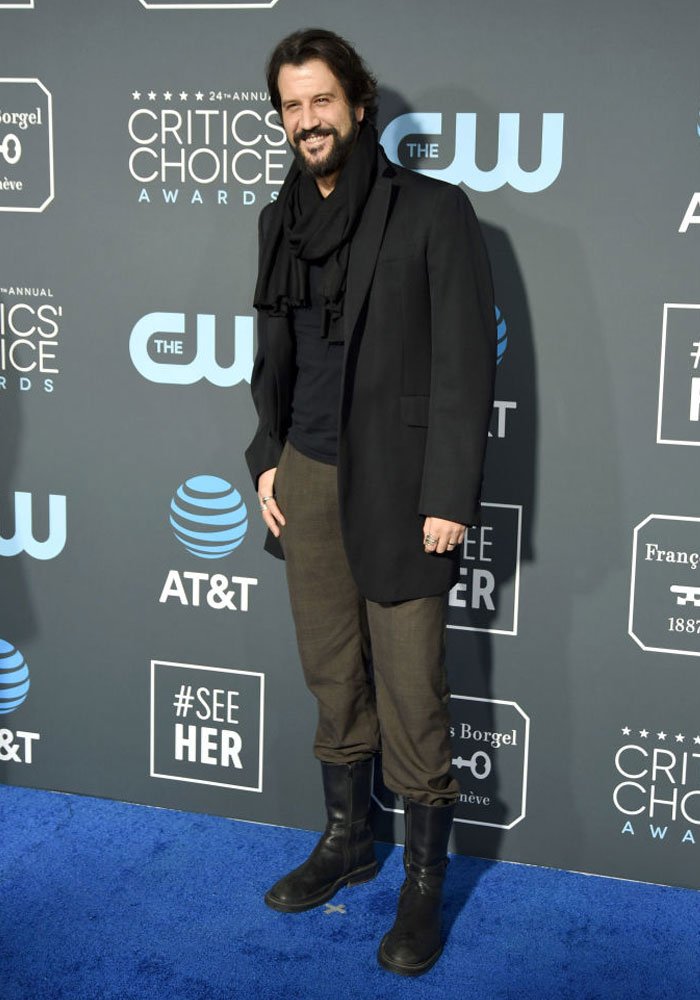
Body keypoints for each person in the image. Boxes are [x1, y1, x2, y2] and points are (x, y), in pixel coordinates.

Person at [246, 28, 496, 977]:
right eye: (291, 106)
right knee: (330, 675)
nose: (307, 120)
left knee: (412, 695)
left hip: (402, 487)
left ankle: (422, 888)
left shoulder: (430, 211)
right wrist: (266, 456)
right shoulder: (278, 220)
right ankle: (349, 842)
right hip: (305, 474)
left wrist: (447, 497)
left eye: (321, 100)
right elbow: (274, 354)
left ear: (358, 104)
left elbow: (466, 365)